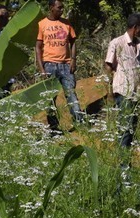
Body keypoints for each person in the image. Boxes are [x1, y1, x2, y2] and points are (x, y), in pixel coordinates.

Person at [35, 0, 83, 131]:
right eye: (59, 8)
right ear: (51, 8)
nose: (61, 10)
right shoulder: (42, 24)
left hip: (66, 65)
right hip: (49, 65)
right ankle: (54, 127)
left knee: (71, 94)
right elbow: (38, 48)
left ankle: (79, 124)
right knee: (50, 98)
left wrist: (73, 60)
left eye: (62, 8)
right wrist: (42, 69)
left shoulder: (67, 24)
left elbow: (73, 42)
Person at [105, 13, 140, 162]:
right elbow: (108, 66)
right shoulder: (117, 43)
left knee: (131, 128)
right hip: (122, 91)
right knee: (124, 129)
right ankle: (122, 165)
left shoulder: (138, 45)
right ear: (135, 27)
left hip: (135, 93)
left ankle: (125, 162)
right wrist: (108, 92)